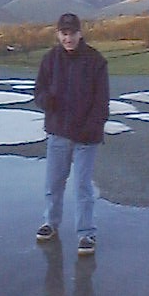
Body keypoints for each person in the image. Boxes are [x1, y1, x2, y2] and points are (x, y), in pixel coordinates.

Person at [34, 13, 110, 255]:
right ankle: (50, 222)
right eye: (64, 34)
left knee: (82, 187)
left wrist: (91, 128)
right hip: (58, 133)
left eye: (72, 33)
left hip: (86, 137)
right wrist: (46, 101)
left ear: (80, 33)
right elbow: (39, 90)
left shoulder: (96, 61)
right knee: (53, 183)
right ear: (58, 34)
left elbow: (102, 102)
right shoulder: (50, 59)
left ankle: (86, 233)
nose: (68, 38)